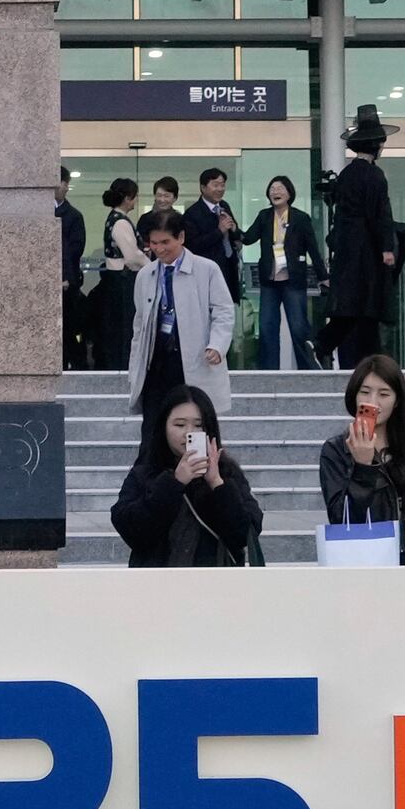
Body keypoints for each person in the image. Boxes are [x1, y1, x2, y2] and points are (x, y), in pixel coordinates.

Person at [319, 352, 405, 565]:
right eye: (365, 392)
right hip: (360, 562)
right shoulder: (336, 451)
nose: (373, 403)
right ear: (354, 396)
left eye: (384, 394)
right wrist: (362, 466)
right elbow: (341, 518)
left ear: (397, 401)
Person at [113, 386, 263, 568]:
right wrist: (174, 483)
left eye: (198, 425)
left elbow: (245, 533)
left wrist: (217, 484)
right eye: (179, 424)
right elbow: (131, 529)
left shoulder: (227, 472)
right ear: (164, 427)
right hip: (157, 586)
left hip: (215, 585)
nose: (188, 433)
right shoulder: (145, 473)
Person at [126, 209, 237, 419]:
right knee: (151, 433)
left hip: (192, 359)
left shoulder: (207, 269)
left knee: (195, 425)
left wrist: (217, 344)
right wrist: (134, 367)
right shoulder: (145, 275)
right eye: (154, 243)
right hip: (155, 362)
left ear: (181, 237)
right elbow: (139, 324)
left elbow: (223, 310)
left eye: (165, 242)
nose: (159, 249)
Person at [324, 107, 402, 368]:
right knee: (369, 304)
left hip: (347, 248)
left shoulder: (346, 175)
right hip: (367, 249)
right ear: (376, 145)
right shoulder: (374, 175)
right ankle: (368, 358)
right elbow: (380, 213)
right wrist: (386, 247)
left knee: (356, 306)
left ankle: (358, 355)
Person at [245, 174, 319, 371]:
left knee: (298, 327)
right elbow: (248, 238)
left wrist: (323, 276)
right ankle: (268, 373)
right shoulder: (264, 216)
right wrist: (232, 228)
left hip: (293, 280)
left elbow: (313, 248)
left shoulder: (301, 218)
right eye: (272, 189)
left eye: (279, 189)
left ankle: (308, 372)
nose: (275, 192)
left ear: (289, 193)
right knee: (268, 328)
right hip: (270, 281)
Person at [96, 178, 146, 367]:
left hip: (116, 277)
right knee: (125, 325)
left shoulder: (114, 219)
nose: (135, 201)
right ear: (127, 198)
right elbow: (132, 256)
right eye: (134, 197)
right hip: (122, 279)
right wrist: (149, 265)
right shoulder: (121, 222)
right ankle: (123, 364)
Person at [182, 168, 243, 299]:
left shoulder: (224, 206)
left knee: (227, 306)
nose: (220, 189)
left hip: (228, 266)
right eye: (215, 185)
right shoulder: (193, 213)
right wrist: (219, 231)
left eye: (222, 185)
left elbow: (234, 232)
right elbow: (193, 246)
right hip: (207, 269)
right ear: (203, 188)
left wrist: (234, 230)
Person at [56, 169, 92, 370]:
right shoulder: (40, 213)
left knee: (69, 330)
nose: (59, 186)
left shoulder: (73, 216)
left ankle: (77, 368)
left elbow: (74, 250)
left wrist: (67, 279)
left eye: (62, 182)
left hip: (66, 283)